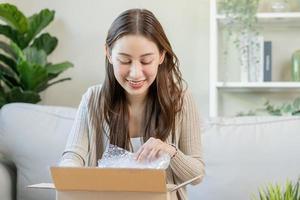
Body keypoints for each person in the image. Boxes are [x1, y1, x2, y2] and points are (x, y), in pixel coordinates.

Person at [59, 8, 205, 200]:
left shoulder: (181, 99)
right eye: (125, 60)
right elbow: (72, 156)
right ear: (109, 54)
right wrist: (70, 174)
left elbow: (197, 175)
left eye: (146, 61)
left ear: (161, 56)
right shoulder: (93, 98)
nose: (135, 73)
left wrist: (170, 151)